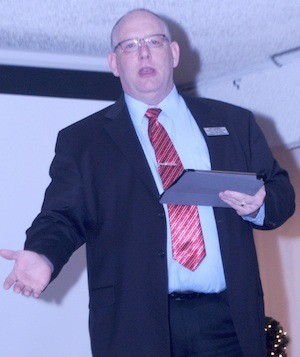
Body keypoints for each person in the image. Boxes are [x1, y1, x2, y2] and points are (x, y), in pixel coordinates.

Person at [0, 8, 295, 357]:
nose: (143, 52)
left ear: (173, 54)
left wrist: (260, 205)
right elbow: (62, 216)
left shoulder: (234, 123)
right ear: (114, 62)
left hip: (226, 321)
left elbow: (280, 192)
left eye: (154, 42)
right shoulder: (84, 141)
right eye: (129, 46)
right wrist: (43, 254)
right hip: (133, 324)